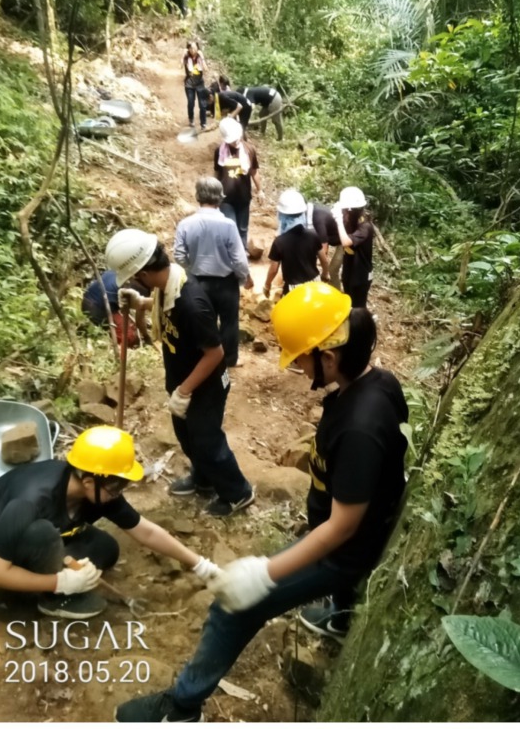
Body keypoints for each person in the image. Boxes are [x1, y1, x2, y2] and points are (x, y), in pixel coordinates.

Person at [116, 282, 408, 722]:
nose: (298, 367)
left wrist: (265, 573)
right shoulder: (376, 383)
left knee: (233, 607)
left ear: (328, 357)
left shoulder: (361, 428)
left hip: (345, 549)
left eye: (302, 357)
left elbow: (343, 527)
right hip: (345, 529)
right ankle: (342, 613)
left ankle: (180, 706)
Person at [0, 425, 221, 619]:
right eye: (116, 488)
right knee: (42, 534)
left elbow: (145, 531)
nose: (119, 493)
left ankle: (44, 572)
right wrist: (60, 582)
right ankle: (53, 598)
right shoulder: (30, 500)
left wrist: (201, 566)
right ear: (89, 482)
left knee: (105, 548)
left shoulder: (97, 489)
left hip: (37, 535)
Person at [106, 230, 255, 517]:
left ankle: (238, 492)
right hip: (182, 376)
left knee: (207, 440)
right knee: (187, 436)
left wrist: (184, 391)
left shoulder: (191, 302)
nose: (137, 281)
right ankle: (204, 479)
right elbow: (166, 308)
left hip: (205, 385)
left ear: (145, 272)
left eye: (136, 278)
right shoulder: (169, 287)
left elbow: (215, 354)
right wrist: (142, 303)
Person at [173, 177, 252, 368]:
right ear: (220, 198)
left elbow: (178, 255)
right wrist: (244, 278)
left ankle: (202, 358)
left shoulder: (185, 224)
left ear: (198, 196)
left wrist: (191, 268)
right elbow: (239, 260)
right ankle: (229, 360)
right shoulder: (228, 225)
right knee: (229, 323)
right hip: (225, 282)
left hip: (197, 281)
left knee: (200, 321)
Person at [264, 189, 329, 298]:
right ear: (302, 213)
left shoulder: (279, 242)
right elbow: (324, 260)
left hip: (294, 289)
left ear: (281, 215)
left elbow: (273, 269)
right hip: (315, 284)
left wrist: (267, 285)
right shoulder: (313, 235)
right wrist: (325, 274)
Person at [213, 119, 264, 253]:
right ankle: (232, 257)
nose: (235, 142)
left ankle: (243, 256)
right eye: (231, 140)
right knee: (231, 227)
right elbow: (217, 173)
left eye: (236, 138)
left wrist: (260, 191)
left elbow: (254, 172)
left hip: (243, 197)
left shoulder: (249, 150)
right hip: (225, 198)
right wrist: (213, 194)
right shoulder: (220, 151)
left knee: (242, 229)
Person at [82, 270, 150, 348]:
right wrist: (146, 336)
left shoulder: (118, 269)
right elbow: (140, 320)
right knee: (131, 339)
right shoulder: (142, 288)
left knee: (129, 325)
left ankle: (91, 328)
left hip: (86, 300)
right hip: (97, 307)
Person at [334, 187, 376, 308]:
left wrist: (339, 221)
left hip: (361, 273)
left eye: (345, 210)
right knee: (348, 300)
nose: (344, 213)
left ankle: (361, 324)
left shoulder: (365, 227)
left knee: (358, 306)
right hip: (350, 268)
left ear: (351, 209)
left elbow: (346, 242)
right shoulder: (351, 221)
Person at [182, 42, 208, 129]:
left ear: (198, 49)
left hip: (200, 83)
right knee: (190, 102)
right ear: (188, 49)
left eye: (195, 48)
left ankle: (203, 123)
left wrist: (202, 58)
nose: (193, 50)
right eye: (191, 48)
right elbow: (180, 65)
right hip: (189, 84)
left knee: (202, 104)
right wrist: (182, 55)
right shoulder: (186, 57)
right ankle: (191, 119)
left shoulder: (200, 58)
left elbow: (206, 69)